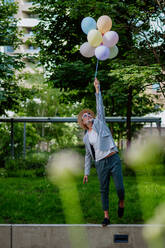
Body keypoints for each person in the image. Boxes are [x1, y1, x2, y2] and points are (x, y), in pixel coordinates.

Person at [77, 78, 125, 226]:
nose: (87, 115)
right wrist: (86, 172)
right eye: (84, 116)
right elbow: (87, 156)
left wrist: (97, 90)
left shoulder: (100, 122)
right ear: (83, 123)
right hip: (100, 164)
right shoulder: (86, 138)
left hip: (113, 158)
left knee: (119, 187)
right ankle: (106, 217)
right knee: (103, 190)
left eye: (88, 114)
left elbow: (100, 108)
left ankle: (121, 202)